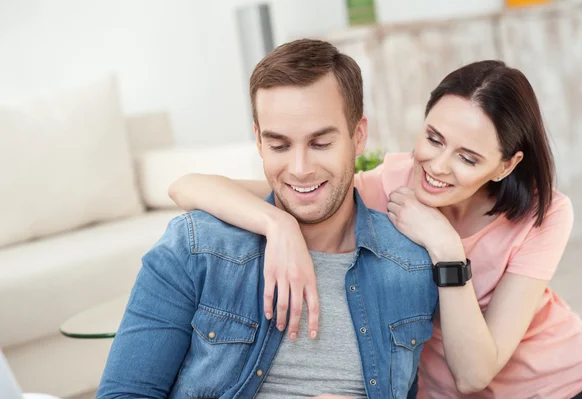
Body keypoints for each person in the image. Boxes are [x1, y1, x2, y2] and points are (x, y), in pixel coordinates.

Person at [168, 59, 582, 398]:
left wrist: (446, 248)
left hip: (566, 383)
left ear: (507, 165)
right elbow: (187, 187)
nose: (437, 167)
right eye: (433, 138)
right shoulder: (386, 184)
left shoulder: (545, 213)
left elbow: (474, 373)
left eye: (468, 159)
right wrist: (277, 223)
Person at [97, 39, 439, 399]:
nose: (300, 169)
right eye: (279, 145)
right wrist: (280, 224)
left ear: (359, 136)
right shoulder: (197, 248)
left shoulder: (411, 267)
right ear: (258, 141)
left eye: (321, 143)